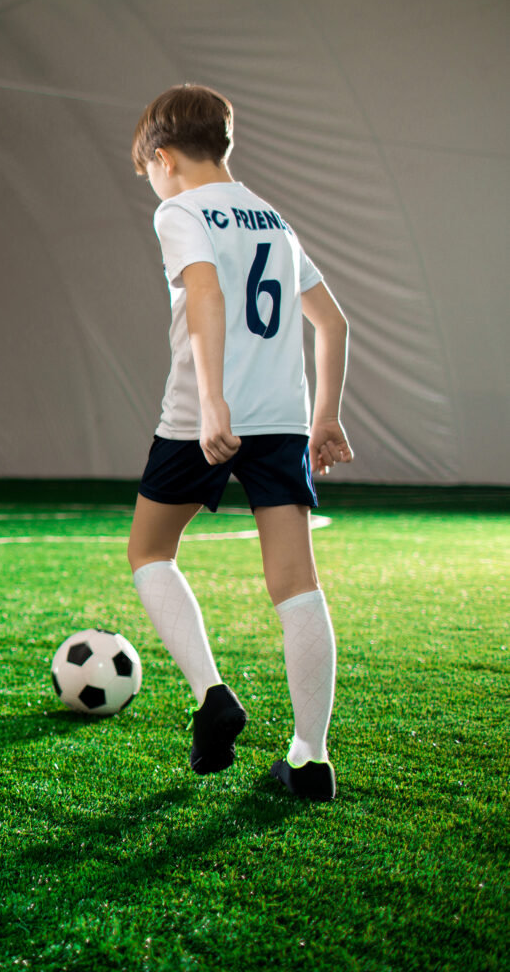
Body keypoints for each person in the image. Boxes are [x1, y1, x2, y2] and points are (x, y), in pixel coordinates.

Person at [126, 84, 353, 801]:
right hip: (284, 420)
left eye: (149, 169)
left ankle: (212, 695)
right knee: (297, 586)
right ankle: (311, 758)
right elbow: (334, 323)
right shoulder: (275, 219)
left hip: (205, 415)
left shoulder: (179, 210)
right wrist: (326, 417)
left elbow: (205, 295)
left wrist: (215, 400)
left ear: (163, 157)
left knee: (150, 551)